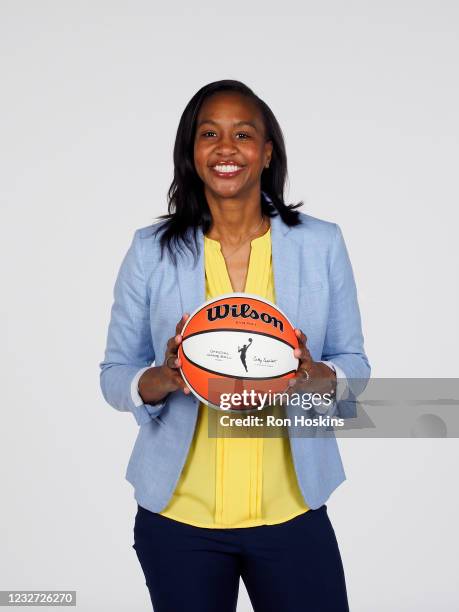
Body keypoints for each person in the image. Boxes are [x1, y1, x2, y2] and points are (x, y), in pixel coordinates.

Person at [99, 79, 371, 612]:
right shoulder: (150, 251)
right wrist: (164, 376)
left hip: (292, 513)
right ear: (191, 152)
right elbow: (115, 373)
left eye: (243, 134)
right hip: (179, 520)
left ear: (267, 152)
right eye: (209, 134)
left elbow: (355, 364)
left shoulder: (321, 243)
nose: (227, 148)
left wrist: (317, 377)